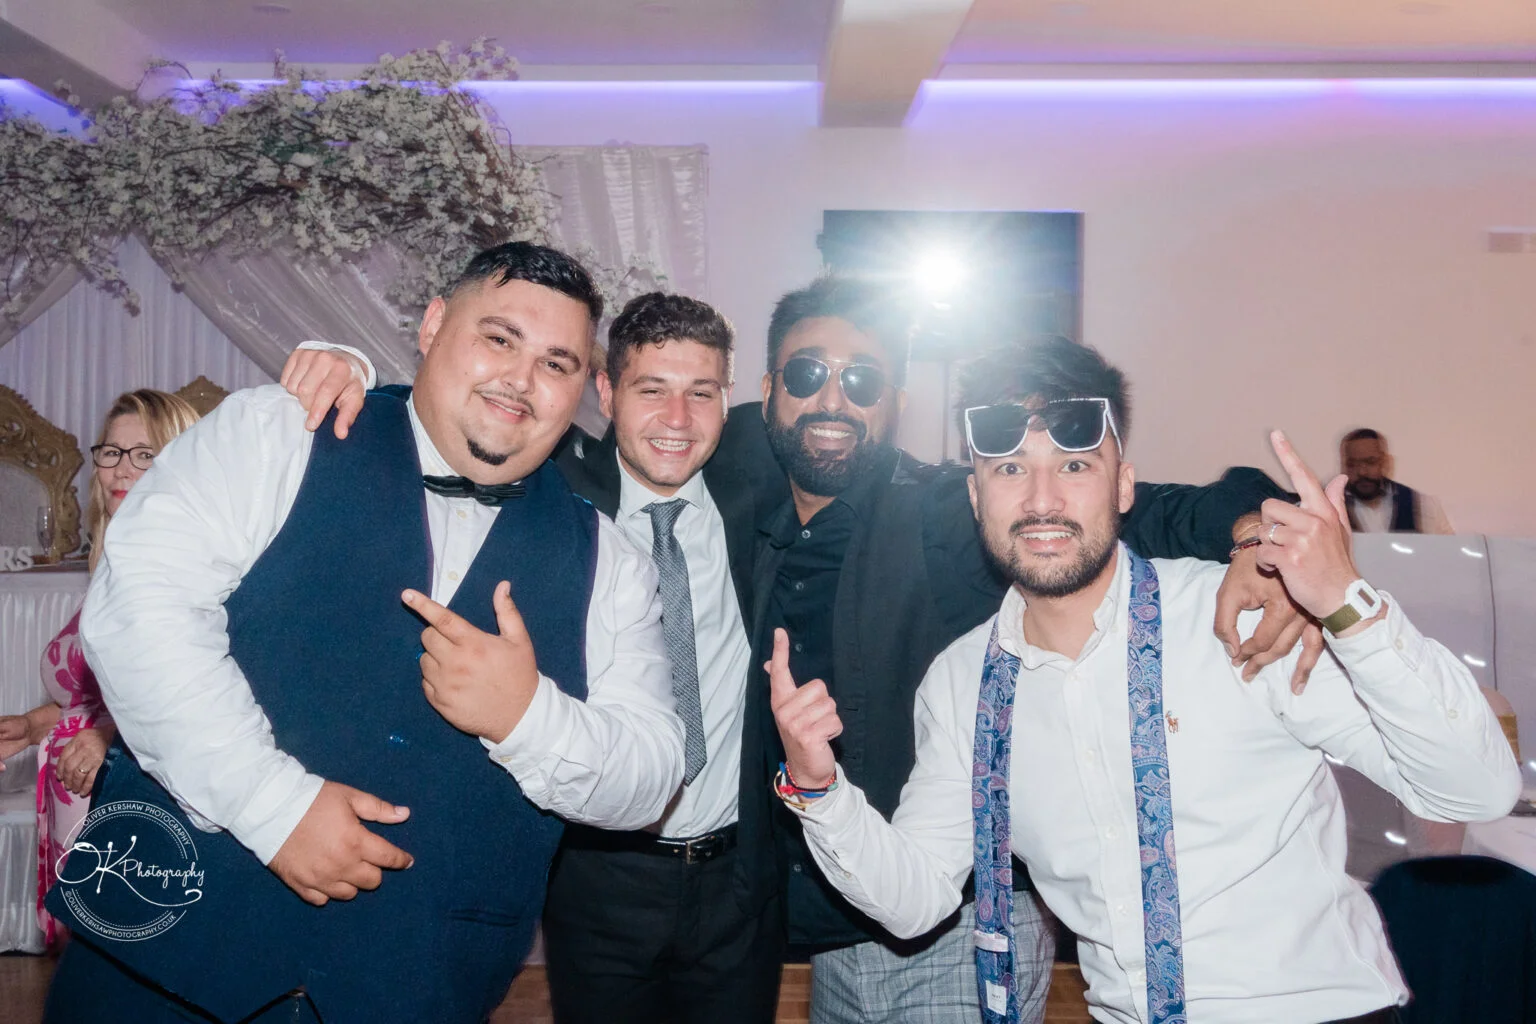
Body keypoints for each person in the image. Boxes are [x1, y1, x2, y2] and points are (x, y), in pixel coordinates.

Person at [769, 335, 1519, 1024]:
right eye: (1008, 470)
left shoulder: (1232, 622)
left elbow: (1475, 790)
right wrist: (820, 789)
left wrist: (1347, 602)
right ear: (975, 498)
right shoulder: (963, 682)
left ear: (1124, 486)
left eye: (1073, 466)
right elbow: (914, 899)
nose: (1040, 500)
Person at [43, 242, 684, 1024]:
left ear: (582, 389)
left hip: (413, 984)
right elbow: (137, 613)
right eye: (499, 338)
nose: (521, 379)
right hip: (160, 951)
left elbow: (652, 776)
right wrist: (273, 805)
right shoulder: (278, 429)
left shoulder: (611, 563)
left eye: (557, 363)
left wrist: (527, 716)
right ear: (433, 324)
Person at [737, 277, 1320, 1024]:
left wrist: (1256, 536)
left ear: (895, 402)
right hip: (840, 911)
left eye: (863, 379)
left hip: (955, 921)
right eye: (807, 373)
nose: (832, 398)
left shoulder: (947, 508)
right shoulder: (745, 497)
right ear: (768, 392)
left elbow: (1169, 510)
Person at [536, 292, 787, 1023]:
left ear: (727, 398)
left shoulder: (759, 488)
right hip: (596, 878)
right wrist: (347, 368)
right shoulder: (556, 492)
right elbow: (455, 421)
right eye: (652, 390)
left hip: (741, 882)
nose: (678, 421)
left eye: (700, 393)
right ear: (606, 391)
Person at [0, 390, 200, 948]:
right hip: (86, 799)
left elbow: (191, 686)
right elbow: (105, 685)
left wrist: (108, 735)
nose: (121, 468)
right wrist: (38, 725)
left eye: (146, 454)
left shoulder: (188, 561)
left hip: (140, 802)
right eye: (112, 452)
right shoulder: (117, 555)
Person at [1340, 427, 1453, 534]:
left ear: (1386, 462)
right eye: (1352, 464)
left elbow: (1448, 550)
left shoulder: (1424, 506)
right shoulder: (1331, 509)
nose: (1361, 472)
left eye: (1370, 462)